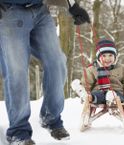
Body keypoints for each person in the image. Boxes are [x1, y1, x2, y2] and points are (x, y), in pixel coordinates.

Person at [0, 0, 90, 144]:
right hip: (9, 12)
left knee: (57, 62)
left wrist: (72, 6)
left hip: (40, 11)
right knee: (16, 71)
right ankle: (18, 132)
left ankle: (51, 118)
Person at [72, 38, 124, 108]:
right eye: (104, 56)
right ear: (98, 57)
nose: (107, 59)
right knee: (97, 94)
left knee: (113, 94)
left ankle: (111, 98)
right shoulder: (92, 69)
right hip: (99, 94)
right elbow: (87, 83)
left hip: (117, 95)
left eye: (110, 55)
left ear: (115, 56)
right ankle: (85, 95)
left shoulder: (123, 69)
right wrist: (86, 91)